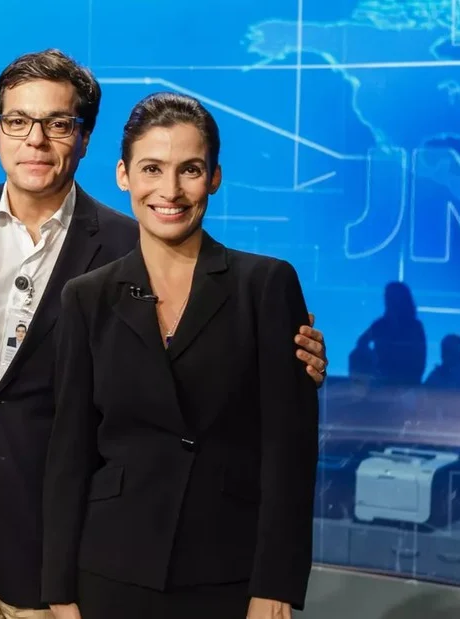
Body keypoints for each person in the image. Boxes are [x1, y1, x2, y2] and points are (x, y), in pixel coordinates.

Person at [0, 50, 329, 619]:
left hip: (63, 543)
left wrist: (298, 361)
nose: (36, 140)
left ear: (84, 138)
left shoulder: (141, 241)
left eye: (58, 124)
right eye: (18, 122)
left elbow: (226, 391)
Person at [41, 92, 321, 619]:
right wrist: (60, 594)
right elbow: (69, 456)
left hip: (229, 573)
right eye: (152, 168)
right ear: (123, 175)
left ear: (214, 177)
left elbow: (290, 454)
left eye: (190, 170)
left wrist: (276, 585)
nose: (170, 191)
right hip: (109, 569)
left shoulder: (265, 285)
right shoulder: (88, 296)